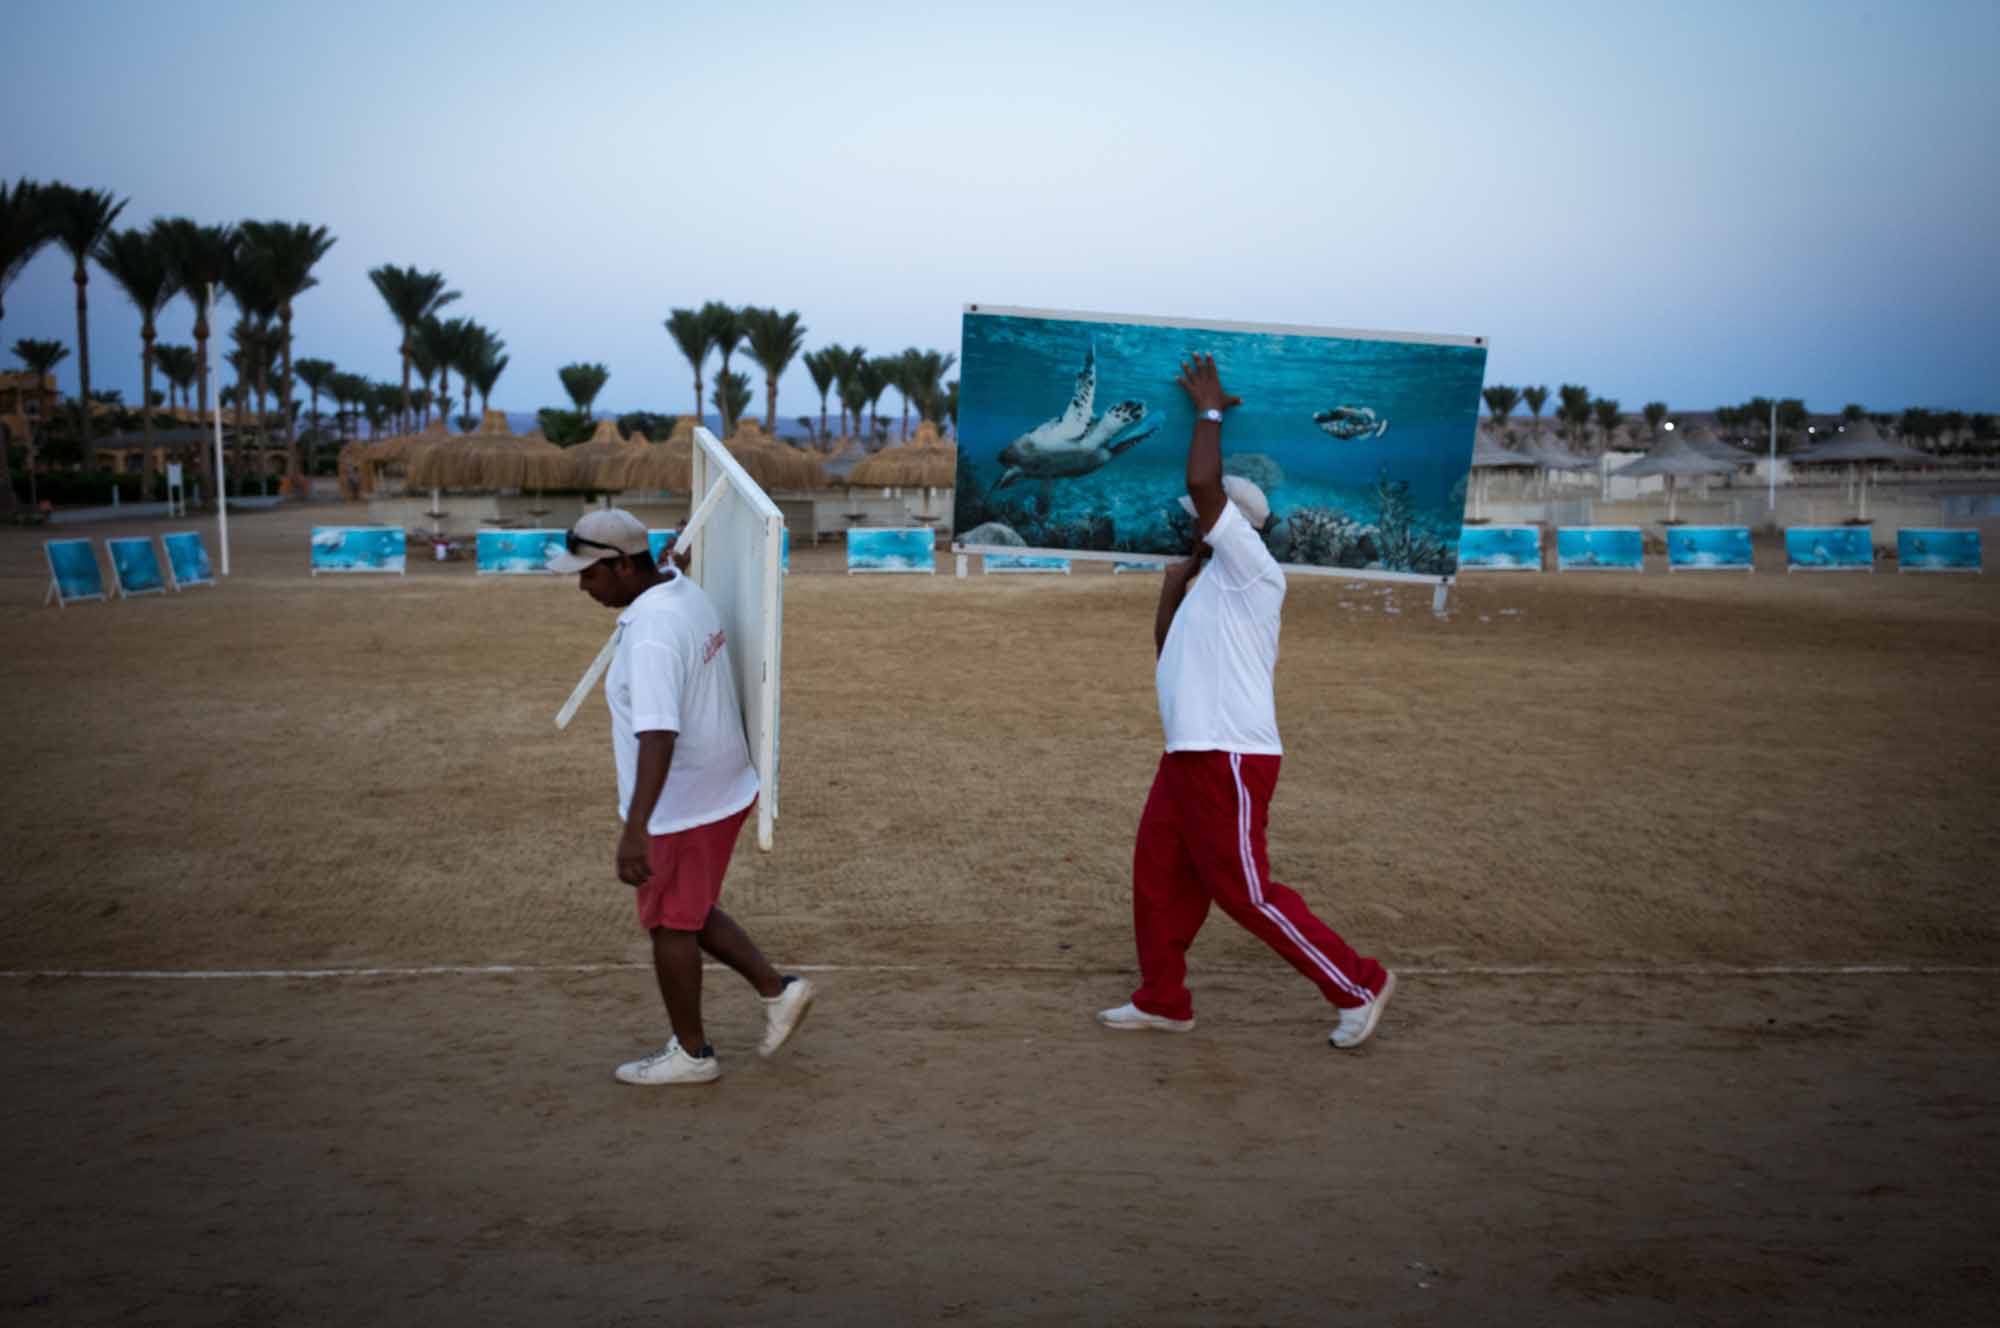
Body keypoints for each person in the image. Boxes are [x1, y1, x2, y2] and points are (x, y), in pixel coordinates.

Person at [1097, 355, 1396, 1049]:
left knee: (1245, 892)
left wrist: (1209, 410)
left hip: (1230, 753)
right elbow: (1167, 651)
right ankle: (1163, 999)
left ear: (1231, 522)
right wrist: (1176, 581)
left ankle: (1359, 984)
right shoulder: (1212, 582)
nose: (1188, 523)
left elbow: (1202, 480)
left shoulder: (1254, 571)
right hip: (1190, 752)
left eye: (1197, 521)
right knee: (1158, 878)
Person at [549, 509, 813, 1085]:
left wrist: (636, 827)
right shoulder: (678, 587)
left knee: (670, 925)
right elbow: (669, 572)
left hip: (685, 802)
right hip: (719, 784)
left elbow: (658, 734)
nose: (581, 586)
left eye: (590, 574)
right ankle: (777, 991)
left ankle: (692, 1056)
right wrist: (674, 564)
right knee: (686, 910)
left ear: (622, 565)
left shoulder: (651, 636)